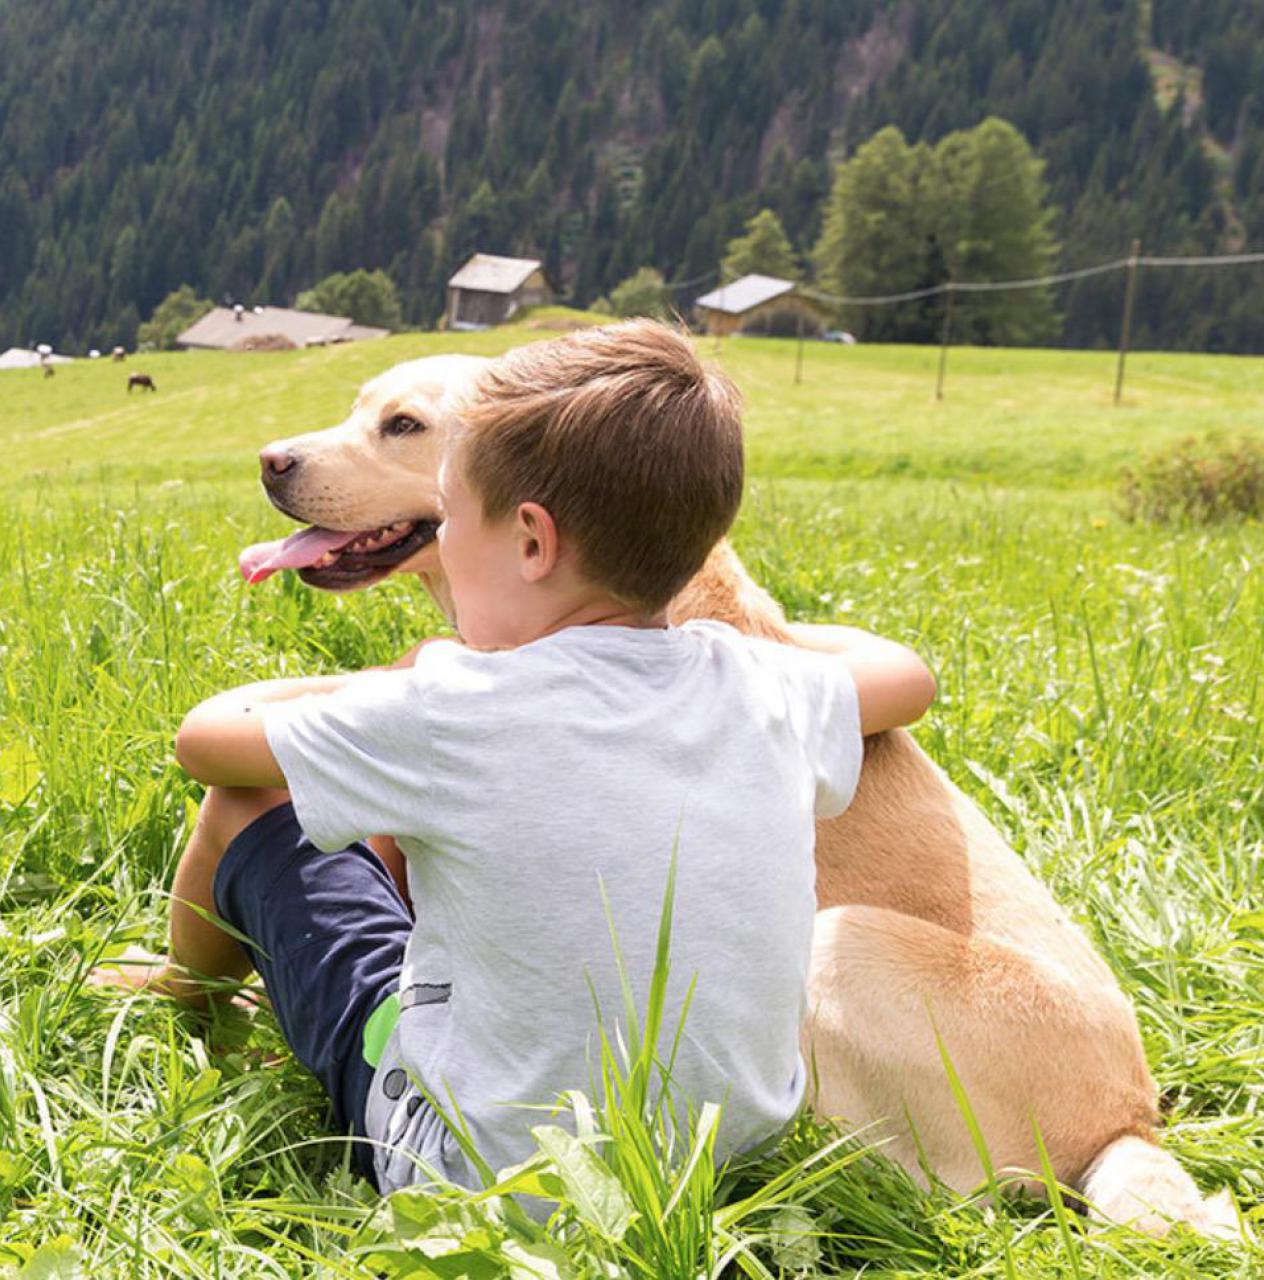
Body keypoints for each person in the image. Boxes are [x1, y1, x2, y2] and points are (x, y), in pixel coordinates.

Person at [103, 321, 936, 1195]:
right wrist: (765, 646)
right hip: (726, 1170)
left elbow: (207, 738)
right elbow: (905, 675)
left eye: (452, 513)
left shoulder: (446, 710)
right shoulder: (766, 689)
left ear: (532, 542)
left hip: (477, 1178)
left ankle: (188, 994)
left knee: (247, 803)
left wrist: (392, 682)